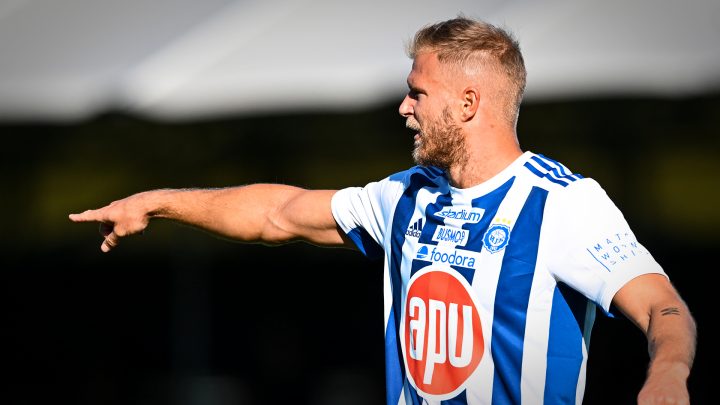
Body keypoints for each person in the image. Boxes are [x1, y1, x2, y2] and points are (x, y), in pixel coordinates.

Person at [69, 16, 696, 405]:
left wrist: (668, 372)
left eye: (417, 92)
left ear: (469, 102)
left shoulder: (563, 203)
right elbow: (279, 213)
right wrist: (160, 201)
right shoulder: (405, 196)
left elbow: (663, 307)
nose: (404, 107)